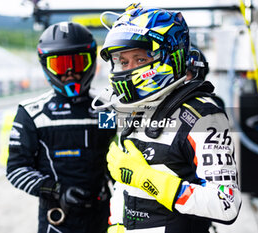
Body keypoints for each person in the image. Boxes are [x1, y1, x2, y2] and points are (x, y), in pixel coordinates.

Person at [96, 4, 242, 233]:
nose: (128, 69)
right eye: (123, 62)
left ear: (169, 56)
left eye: (140, 59)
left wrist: (147, 178)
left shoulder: (203, 116)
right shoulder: (133, 110)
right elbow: (125, 186)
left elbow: (226, 204)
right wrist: (116, 223)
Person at [6, 22, 116, 233]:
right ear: (46, 66)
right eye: (60, 64)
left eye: (77, 63)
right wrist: (56, 190)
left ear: (91, 61)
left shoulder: (105, 109)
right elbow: (16, 169)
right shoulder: (32, 113)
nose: (69, 72)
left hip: (105, 215)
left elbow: (115, 152)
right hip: (58, 218)